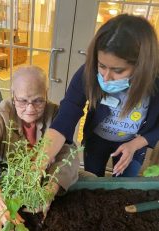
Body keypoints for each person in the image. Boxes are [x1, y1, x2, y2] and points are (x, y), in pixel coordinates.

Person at [0, 65, 80, 231]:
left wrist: (51, 189)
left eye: (38, 101)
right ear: (13, 95)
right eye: (22, 101)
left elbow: (69, 154)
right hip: (5, 179)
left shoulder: (57, 114)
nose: (30, 108)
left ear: (46, 93)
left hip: (44, 177)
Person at [42, 14, 159, 177]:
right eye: (101, 66)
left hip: (134, 142)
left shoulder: (155, 81)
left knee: (124, 188)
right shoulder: (87, 72)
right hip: (96, 140)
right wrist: (42, 159)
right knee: (93, 179)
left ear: (142, 65)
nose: (106, 77)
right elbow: (67, 114)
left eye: (118, 71)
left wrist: (135, 145)